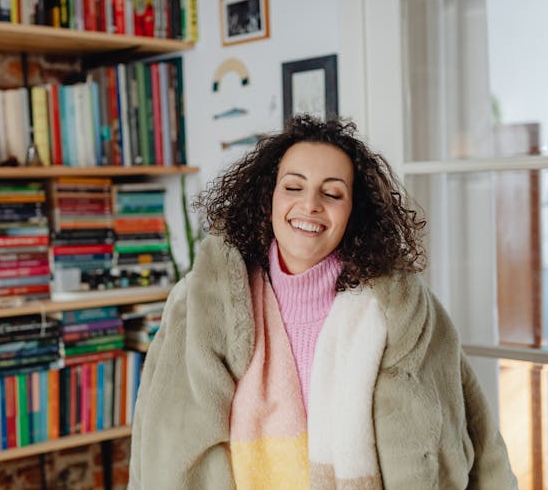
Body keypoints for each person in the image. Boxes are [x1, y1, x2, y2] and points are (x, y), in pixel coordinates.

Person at [129, 115, 517, 489]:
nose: (310, 204)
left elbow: (467, 431)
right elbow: (157, 437)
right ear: (268, 197)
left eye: (332, 193)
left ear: (355, 212)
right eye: (293, 187)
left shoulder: (400, 313)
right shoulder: (199, 303)